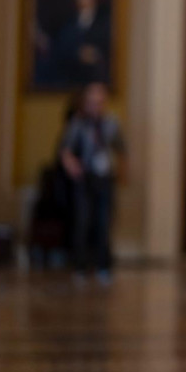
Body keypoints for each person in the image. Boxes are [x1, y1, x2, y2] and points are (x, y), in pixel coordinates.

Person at [59, 81, 124, 284]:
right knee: (83, 221)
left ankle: (103, 266)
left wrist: (121, 172)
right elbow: (65, 151)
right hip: (84, 178)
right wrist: (72, 166)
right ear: (85, 103)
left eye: (100, 101)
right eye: (92, 102)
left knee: (104, 222)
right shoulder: (78, 124)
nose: (96, 105)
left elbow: (122, 150)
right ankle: (80, 266)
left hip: (104, 178)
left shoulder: (111, 123)